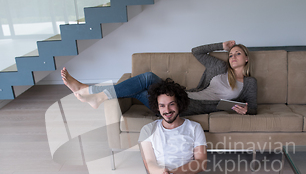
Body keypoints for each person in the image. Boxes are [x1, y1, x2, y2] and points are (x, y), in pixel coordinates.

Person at [61, 40, 257, 115]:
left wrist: (246, 109)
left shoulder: (249, 83)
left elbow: (254, 108)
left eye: (238, 53)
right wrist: (221, 45)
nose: (233, 57)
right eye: (231, 54)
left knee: (147, 78)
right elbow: (196, 51)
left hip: (189, 106)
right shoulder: (218, 66)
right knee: (142, 85)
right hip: (183, 96)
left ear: (246, 58)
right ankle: (94, 94)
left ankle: (91, 92)